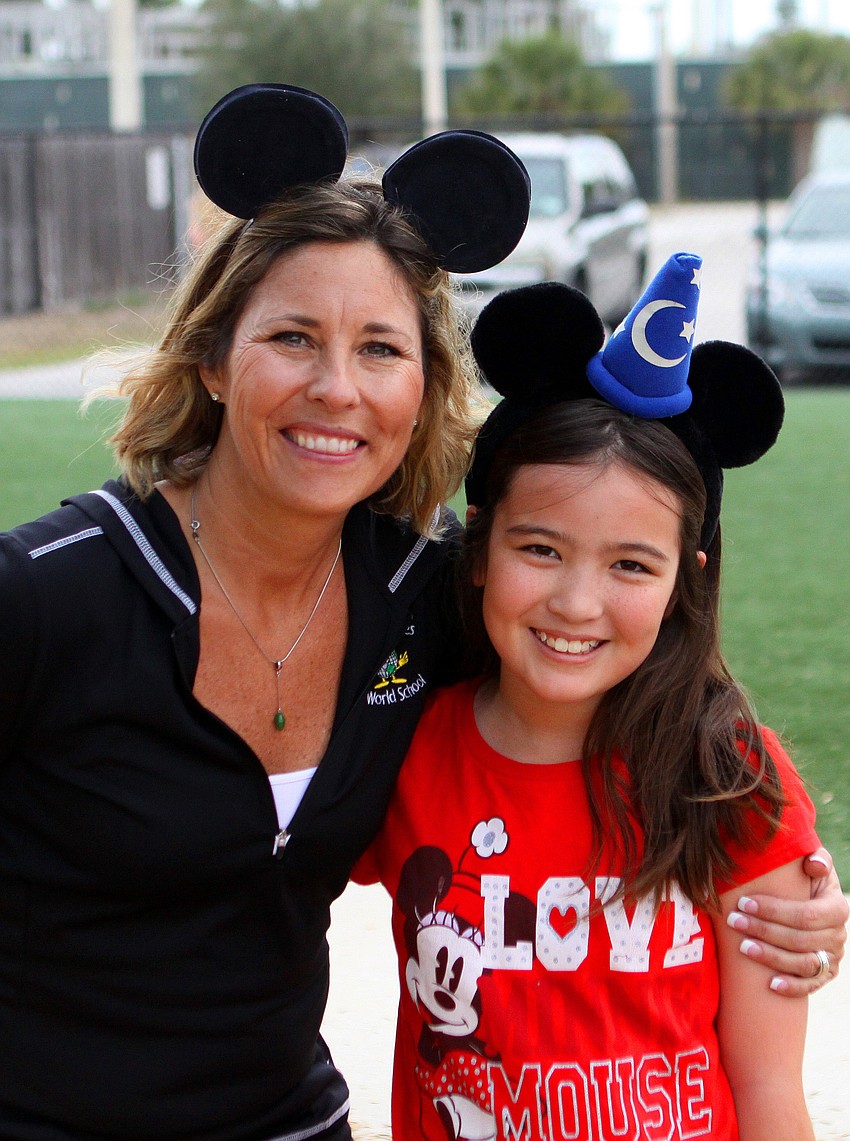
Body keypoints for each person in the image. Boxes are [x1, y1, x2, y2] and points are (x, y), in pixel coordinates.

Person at [0, 84, 843, 1140]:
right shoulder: (46, 593)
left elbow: (616, 637)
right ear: (216, 357)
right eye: (293, 337)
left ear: (424, 386)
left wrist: (773, 860)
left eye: (382, 349)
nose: (338, 388)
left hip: (290, 1122)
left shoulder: (426, 597)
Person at [354, 257, 827, 1139]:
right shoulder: (406, 745)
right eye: (540, 548)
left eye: (629, 565)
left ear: (687, 578)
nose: (577, 602)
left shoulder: (728, 773)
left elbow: (769, 1093)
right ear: (482, 543)